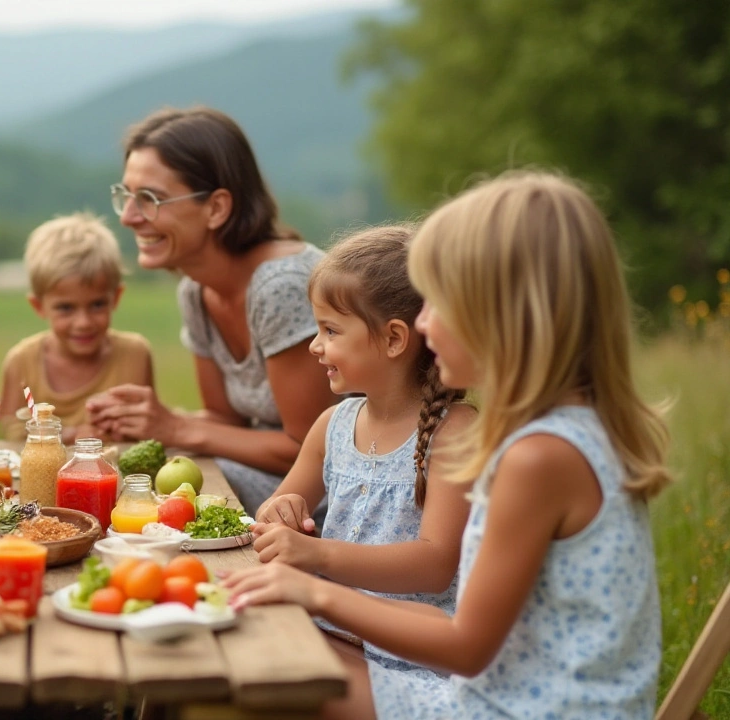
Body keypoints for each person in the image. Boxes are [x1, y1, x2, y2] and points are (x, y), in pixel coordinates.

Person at [226, 171, 672, 719]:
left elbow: (466, 646)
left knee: (274, 678)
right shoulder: (571, 431)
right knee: (275, 650)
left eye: (439, 302)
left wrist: (316, 591)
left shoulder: (539, 457)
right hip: (511, 697)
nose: (425, 324)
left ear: (504, 313)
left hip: (518, 710)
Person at [250, 225, 475, 707]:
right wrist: (282, 510)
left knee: (266, 688)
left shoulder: (453, 433)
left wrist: (317, 555)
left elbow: (435, 564)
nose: (314, 346)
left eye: (330, 330)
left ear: (394, 339)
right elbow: (276, 510)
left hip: (411, 656)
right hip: (334, 629)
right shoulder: (332, 425)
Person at [86, 106, 333, 516]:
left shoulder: (282, 285)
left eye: (150, 199)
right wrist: (150, 421)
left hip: (328, 503)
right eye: (126, 196)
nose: (129, 217)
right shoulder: (196, 292)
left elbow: (308, 448)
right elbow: (226, 421)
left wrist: (178, 428)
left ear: (217, 207)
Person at [0, 212, 154, 443]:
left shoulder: (135, 355)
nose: (83, 323)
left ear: (116, 297)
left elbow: (148, 428)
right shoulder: (21, 361)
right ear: (39, 306)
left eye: (97, 304)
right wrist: (71, 435)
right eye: (65, 308)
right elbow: (11, 434)